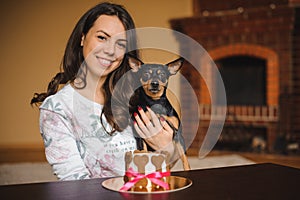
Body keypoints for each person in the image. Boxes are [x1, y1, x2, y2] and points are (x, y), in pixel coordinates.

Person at [31, 2, 176, 180]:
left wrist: (166, 148)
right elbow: (74, 183)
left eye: (120, 44)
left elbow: (159, 169)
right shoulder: (57, 108)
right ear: (82, 38)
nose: (110, 50)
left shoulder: (136, 97)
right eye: (102, 37)